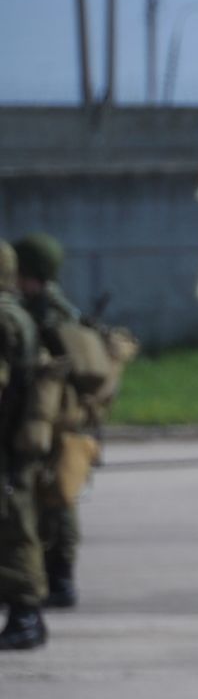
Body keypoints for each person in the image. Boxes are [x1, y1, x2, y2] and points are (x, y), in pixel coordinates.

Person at [16, 233, 91, 610]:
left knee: (56, 498)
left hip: (55, 418)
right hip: (60, 417)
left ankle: (60, 580)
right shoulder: (49, 306)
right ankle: (57, 577)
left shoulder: (46, 313)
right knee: (56, 497)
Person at [0, 242, 50, 650]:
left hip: (7, 436)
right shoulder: (16, 312)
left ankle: (25, 617)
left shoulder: (3, 318)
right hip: (17, 434)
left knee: (13, 527)